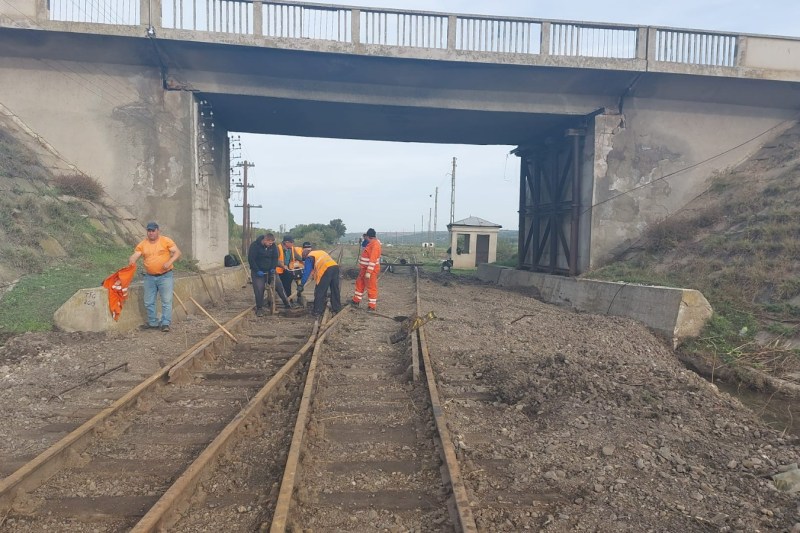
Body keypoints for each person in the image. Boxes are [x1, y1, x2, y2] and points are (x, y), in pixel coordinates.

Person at [129, 222, 181, 332]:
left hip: (165, 276)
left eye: (153, 230)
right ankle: (153, 323)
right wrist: (132, 260)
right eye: (149, 231)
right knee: (148, 301)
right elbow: (136, 255)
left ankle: (165, 323)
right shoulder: (143, 244)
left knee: (166, 300)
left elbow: (177, 253)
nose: (151, 233)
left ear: (158, 231)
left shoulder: (166, 241)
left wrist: (169, 262)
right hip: (149, 277)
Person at [248, 233, 288, 316]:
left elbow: (275, 258)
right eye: (270, 243)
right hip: (258, 272)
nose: (271, 245)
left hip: (270, 271)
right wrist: (257, 270)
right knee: (259, 290)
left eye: (272, 243)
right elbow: (251, 260)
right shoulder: (255, 246)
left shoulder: (273, 246)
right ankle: (259, 309)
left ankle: (287, 304)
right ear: (265, 240)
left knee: (279, 286)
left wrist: (273, 268)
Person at [300, 242, 341, 318]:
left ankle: (317, 311)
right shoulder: (320, 252)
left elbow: (306, 272)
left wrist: (301, 284)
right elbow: (317, 266)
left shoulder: (309, 257)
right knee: (335, 289)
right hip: (335, 267)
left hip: (326, 270)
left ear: (305, 255)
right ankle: (337, 308)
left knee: (320, 291)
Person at [351, 227, 382, 311]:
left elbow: (373, 259)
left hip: (370, 270)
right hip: (364, 269)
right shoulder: (371, 243)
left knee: (371, 286)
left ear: (368, 236)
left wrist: (368, 272)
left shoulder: (375, 245)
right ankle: (356, 300)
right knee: (360, 283)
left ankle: (372, 306)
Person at [276, 235, 305, 307]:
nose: (293, 244)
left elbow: (297, 256)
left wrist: (304, 261)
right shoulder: (278, 248)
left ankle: (289, 300)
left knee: (288, 285)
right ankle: (285, 300)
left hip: (287, 269)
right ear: (286, 242)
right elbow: (275, 259)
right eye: (291, 242)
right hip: (279, 270)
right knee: (280, 286)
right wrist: (282, 265)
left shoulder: (291, 248)